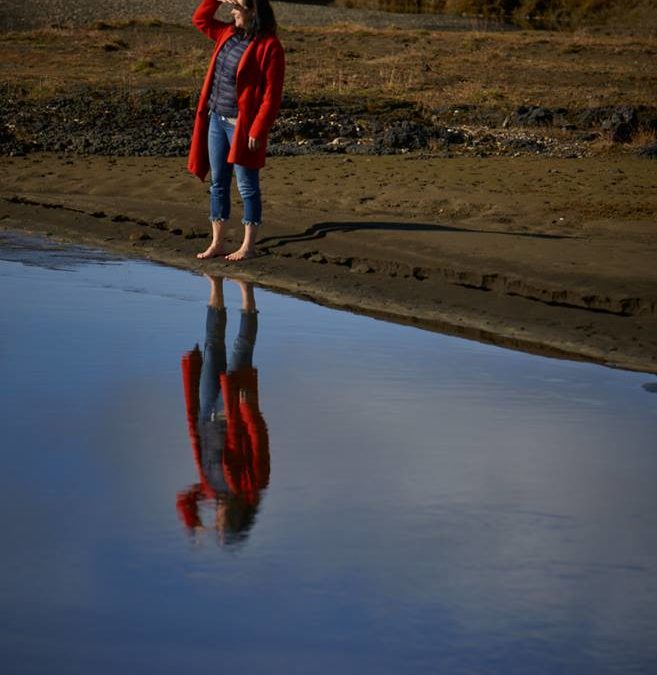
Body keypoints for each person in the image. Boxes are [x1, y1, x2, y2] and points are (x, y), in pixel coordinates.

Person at [188, 0, 285, 261]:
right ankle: (217, 242)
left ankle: (247, 246)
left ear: (253, 12)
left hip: (241, 128)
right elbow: (200, 19)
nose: (232, 12)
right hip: (216, 120)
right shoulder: (228, 34)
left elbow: (271, 96)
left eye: (237, 8)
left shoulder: (270, 47)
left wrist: (258, 129)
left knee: (247, 187)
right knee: (218, 182)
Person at [177, 275, 270, 545]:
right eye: (220, 522)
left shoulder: (211, 490)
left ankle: (215, 284)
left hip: (206, 413)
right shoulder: (253, 485)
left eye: (216, 522)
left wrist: (193, 524)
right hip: (235, 412)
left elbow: (184, 500)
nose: (216, 517)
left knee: (212, 343)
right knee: (242, 348)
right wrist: (248, 410)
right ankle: (246, 290)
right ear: (235, 518)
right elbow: (259, 442)